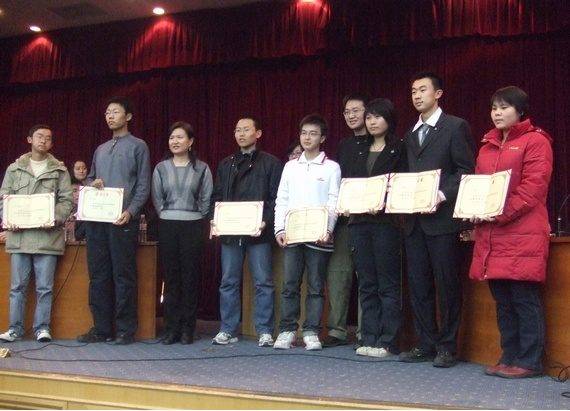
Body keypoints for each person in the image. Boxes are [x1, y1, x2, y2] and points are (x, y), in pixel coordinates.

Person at [469, 86, 552, 379]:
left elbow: (533, 188)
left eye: (504, 107)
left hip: (522, 232)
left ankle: (529, 360)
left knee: (523, 299)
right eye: (494, 108)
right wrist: (474, 210)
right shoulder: (487, 146)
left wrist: (498, 213)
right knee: (503, 300)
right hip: (492, 235)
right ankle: (510, 356)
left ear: (520, 111)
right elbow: (478, 188)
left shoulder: (536, 141)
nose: (497, 113)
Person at [399, 72, 475, 368]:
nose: (417, 96)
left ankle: (447, 346)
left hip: (443, 221)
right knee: (419, 286)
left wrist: (441, 194)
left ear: (438, 93)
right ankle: (426, 343)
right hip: (414, 222)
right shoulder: (409, 134)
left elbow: (465, 170)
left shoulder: (455, 126)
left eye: (422, 90)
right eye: (413, 91)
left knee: (447, 285)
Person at [77, 97, 151, 345]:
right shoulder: (100, 148)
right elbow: (90, 179)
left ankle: (125, 329)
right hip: (96, 220)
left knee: (123, 275)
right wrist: (93, 183)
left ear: (128, 116)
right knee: (98, 275)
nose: (110, 116)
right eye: (107, 112)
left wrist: (131, 211)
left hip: (123, 220)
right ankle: (101, 328)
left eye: (115, 112)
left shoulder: (138, 146)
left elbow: (143, 184)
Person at [210, 116, 283, 347]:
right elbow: (217, 196)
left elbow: (275, 198)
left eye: (246, 129)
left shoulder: (271, 163)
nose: (241, 134)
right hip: (231, 233)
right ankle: (227, 329)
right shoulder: (226, 164)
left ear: (258, 133)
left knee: (263, 282)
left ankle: (265, 331)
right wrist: (215, 219)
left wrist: (265, 221)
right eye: (237, 130)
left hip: (258, 232)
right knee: (228, 282)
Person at [345, 98, 407, 358]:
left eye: (377, 117)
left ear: (389, 119)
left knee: (388, 284)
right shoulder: (359, 149)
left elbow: (404, 185)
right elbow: (350, 184)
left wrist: (382, 201)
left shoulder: (399, 148)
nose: (371, 122)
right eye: (368, 117)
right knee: (367, 283)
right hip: (359, 223)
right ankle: (368, 337)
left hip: (386, 224)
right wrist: (347, 203)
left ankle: (388, 341)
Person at [0, 125, 74, 343]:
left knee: (45, 288)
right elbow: (4, 198)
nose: (43, 140)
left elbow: (67, 201)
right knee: (17, 288)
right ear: (29, 139)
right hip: (19, 237)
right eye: (39, 136)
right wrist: (9, 218)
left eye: (48, 138)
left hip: (47, 238)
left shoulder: (59, 170)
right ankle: (15, 329)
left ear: (52, 144)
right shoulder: (15, 169)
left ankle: (42, 328)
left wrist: (53, 217)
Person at [274, 114, 341, 351]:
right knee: (289, 286)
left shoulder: (332, 167)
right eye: (304, 133)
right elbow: (282, 199)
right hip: (292, 236)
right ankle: (287, 330)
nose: (307, 137)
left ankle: (312, 331)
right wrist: (279, 229)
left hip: (318, 237)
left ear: (322, 138)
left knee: (315, 287)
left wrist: (328, 229)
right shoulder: (290, 167)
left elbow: (334, 202)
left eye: (313, 133)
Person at [152, 121, 213, 345]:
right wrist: (168, 214)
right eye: (172, 138)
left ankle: (188, 329)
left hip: (193, 225)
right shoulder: (161, 168)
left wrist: (196, 215)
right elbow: (157, 198)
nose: (175, 141)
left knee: (190, 278)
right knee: (171, 278)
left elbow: (206, 198)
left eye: (180, 137)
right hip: (167, 225)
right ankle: (171, 329)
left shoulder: (202, 168)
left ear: (190, 141)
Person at [323, 91, 370, 348]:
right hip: (343, 220)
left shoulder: (381, 142)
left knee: (367, 276)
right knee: (338, 275)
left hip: (369, 220)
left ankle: (366, 331)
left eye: (356, 111)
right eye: (347, 112)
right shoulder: (343, 145)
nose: (351, 116)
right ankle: (337, 330)